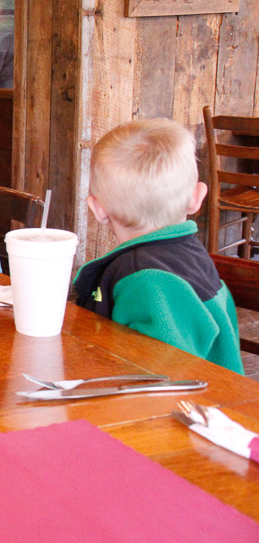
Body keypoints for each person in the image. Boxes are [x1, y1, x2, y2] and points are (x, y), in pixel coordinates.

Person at [73, 119, 242, 373]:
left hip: (187, 408)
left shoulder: (145, 279)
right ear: (196, 198)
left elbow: (157, 381)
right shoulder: (190, 254)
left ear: (98, 209)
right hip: (217, 404)